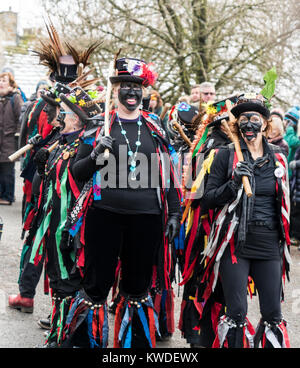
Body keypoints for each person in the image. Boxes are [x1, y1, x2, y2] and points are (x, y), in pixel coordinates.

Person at [60, 57, 181, 348]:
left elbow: (168, 176)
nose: (131, 92)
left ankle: (134, 347)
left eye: (136, 87)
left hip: (147, 219)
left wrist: (175, 212)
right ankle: (84, 343)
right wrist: (94, 155)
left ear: (144, 92)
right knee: (95, 287)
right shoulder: (98, 127)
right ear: (115, 91)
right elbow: (76, 174)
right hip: (105, 216)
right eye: (125, 85)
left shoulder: (156, 129)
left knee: (137, 288)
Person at [8, 20, 100, 323]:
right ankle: (29, 293)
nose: (67, 72)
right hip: (44, 178)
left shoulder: (83, 104)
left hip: (70, 186)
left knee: (60, 241)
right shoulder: (47, 102)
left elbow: (76, 139)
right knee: (37, 234)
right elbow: (39, 133)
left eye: (71, 69)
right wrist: (38, 146)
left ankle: (57, 305)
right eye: (63, 68)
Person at [200, 93, 291, 348]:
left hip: (269, 243)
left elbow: (284, 204)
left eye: (254, 119)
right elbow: (207, 200)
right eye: (243, 119)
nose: (249, 125)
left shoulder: (279, 157)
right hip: (234, 244)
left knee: (273, 314)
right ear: (236, 124)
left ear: (264, 123)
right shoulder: (226, 155)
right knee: (237, 312)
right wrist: (232, 184)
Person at [0, 71, 23, 205]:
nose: (1, 83)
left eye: (4, 81)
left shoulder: (15, 98)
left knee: (7, 170)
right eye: (0, 80)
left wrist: (17, 136)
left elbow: (21, 118)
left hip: (9, 141)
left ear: (11, 84)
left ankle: (8, 196)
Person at [283, 106, 300, 176]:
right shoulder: (288, 134)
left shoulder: (291, 136)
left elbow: (291, 142)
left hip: (289, 173)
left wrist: (289, 128)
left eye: (285, 120)